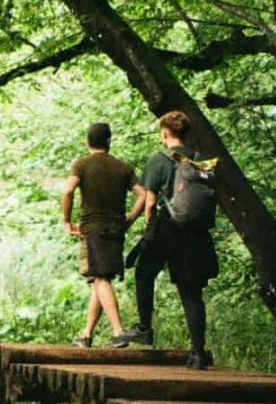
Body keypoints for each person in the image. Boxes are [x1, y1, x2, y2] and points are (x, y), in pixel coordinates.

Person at [119, 111, 218, 369]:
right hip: (195, 232)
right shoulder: (199, 160)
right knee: (191, 291)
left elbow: (150, 202)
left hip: (168, 226)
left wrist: (148, 231)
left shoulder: (159, 159)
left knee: (144, 272)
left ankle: (144, 328)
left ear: (165, 132)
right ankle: (197, 353)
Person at [61, 122, 146, 348]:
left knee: (100, 278)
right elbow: (143, 195)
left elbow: (68, 190)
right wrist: (130, 218)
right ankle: (86, 334)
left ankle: (119, 332)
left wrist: (67, 221)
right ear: (109, 141)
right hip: (116, 229)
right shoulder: (122, 167)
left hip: (93, 229)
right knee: (99, 279)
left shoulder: (82, 165)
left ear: (88, 141)